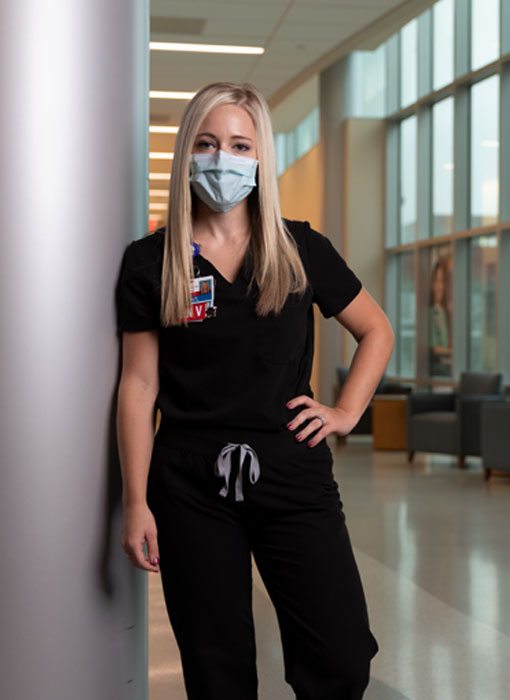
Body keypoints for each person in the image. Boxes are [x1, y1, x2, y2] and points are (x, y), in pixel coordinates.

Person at [115, 82, 394, 699]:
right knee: (217, 667)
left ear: (260, 155)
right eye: (208, 143)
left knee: (341, 654)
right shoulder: (151, 262)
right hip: (189, 483)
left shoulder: (301, 250)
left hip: (293, 472)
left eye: (240, 144)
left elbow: (376, 330)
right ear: (187, 152)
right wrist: (136, 501)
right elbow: (138, 384)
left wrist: (346, 412)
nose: (223, 158)